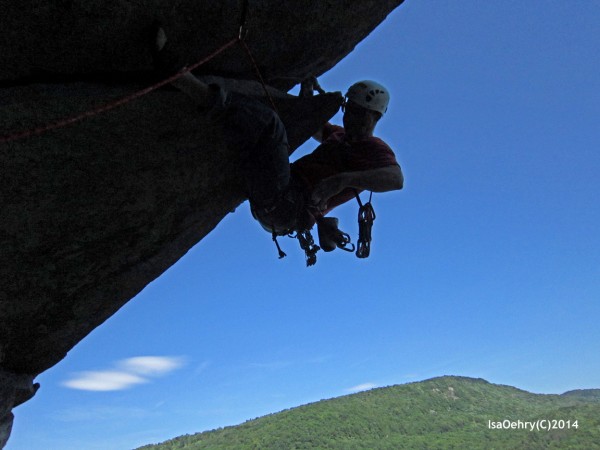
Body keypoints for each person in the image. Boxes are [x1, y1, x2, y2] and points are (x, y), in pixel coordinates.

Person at [154, 28, 403, 263]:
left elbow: (395, 179)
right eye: (349, 110)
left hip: (288, 205)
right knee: (257, 132)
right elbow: (310, 125)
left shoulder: (375, 148)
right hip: (279, 197)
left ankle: (184, 81)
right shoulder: (338, 136)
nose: (351, 117)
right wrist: (307, 95)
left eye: (360, 114)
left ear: (375, 117)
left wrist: (343, 180)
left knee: (271, 126)